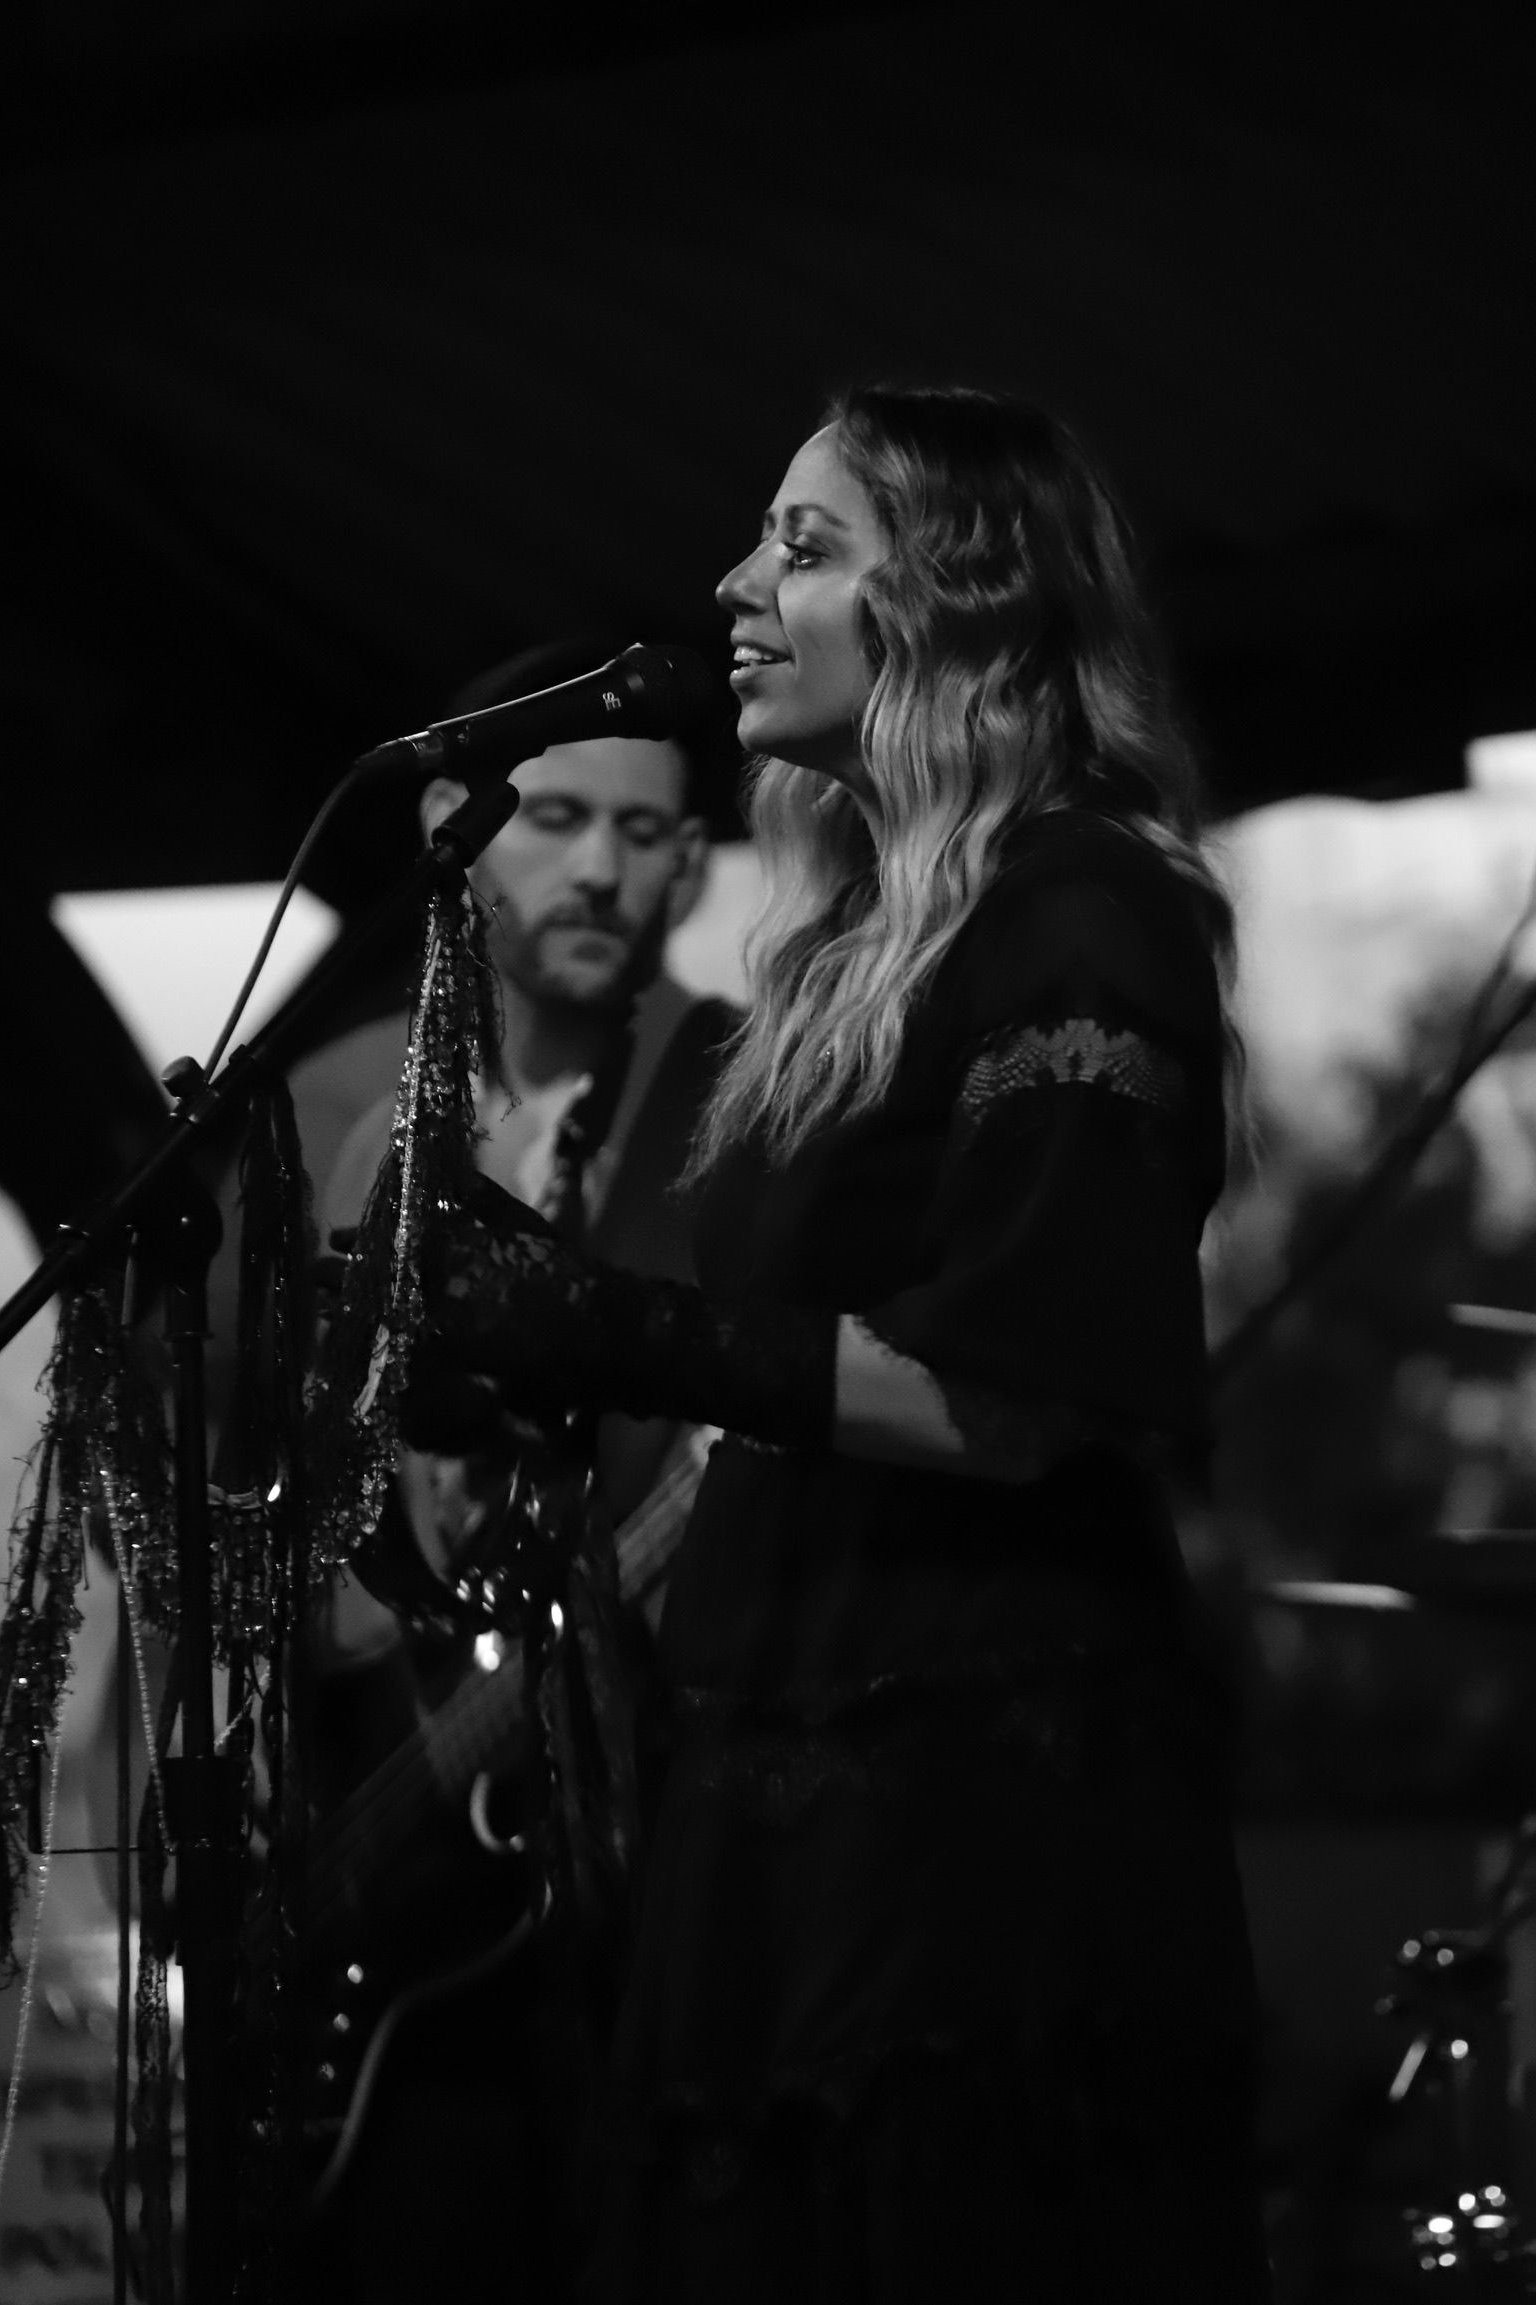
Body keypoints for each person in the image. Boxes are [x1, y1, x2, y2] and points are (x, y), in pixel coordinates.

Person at [407, 388, 1272, 2300]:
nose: (733, 582)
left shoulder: (1083, 916)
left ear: (957, 601)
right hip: (780, 1778)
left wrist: (610, 1326)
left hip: (971, 1808)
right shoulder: (847, 945)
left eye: (805, 546)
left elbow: (1025, 1394)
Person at [298, 644, 736, 2305]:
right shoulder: (368, 1134)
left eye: (643, 831)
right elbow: (328, 1486)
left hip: (668, 1849)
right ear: (454, 826)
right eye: (553, 816)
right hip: (424, 1867)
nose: (601, 868)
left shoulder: (738, 1104)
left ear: (693, 858)